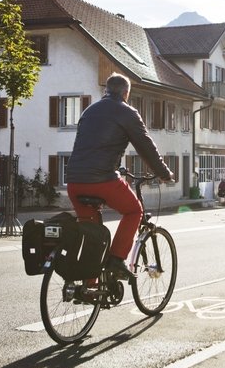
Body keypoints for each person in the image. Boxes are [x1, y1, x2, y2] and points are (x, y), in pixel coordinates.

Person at [66, 73, 174, 280]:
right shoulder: (127, 112)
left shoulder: (89, 111)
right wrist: (164, 173)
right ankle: (116, 260)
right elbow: (146, 146)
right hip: (102, 180)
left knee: (92, 232)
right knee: (134, 211)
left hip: (74, 181)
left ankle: (90, 287)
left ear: (106, 90)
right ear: (126, 93)